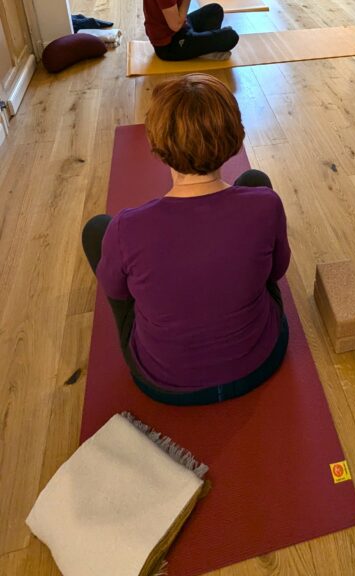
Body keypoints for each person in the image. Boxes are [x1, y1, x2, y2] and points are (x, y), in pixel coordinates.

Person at [82, 75, 290, 404]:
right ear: (235, 136)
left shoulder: (127, 228)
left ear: (158, 145)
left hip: (165, 382)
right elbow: (276, 272)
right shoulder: (266, 204)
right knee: (255, 181)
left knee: (96, 230)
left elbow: (118, 292)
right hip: (260, 361)